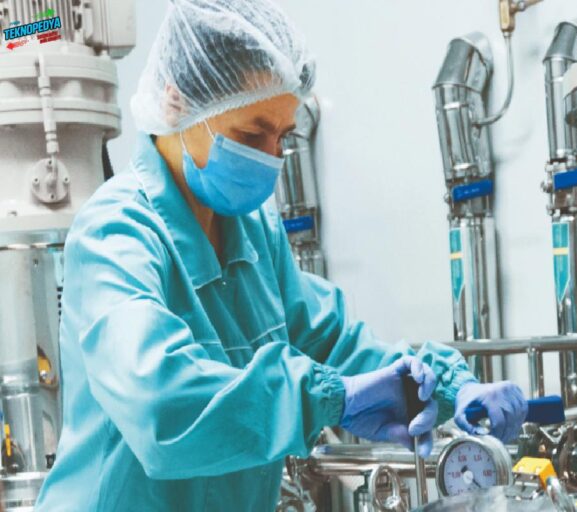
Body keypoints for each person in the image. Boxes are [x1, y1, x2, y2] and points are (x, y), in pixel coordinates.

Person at [35, 0, 528, 510]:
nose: (271, 158)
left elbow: (332, 343)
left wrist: (448, 385)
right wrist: (328, 399)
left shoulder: (253, 230)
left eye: (282, 136)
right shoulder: (115, 233)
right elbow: (161, 403)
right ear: (178, 102)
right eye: (251, 135)